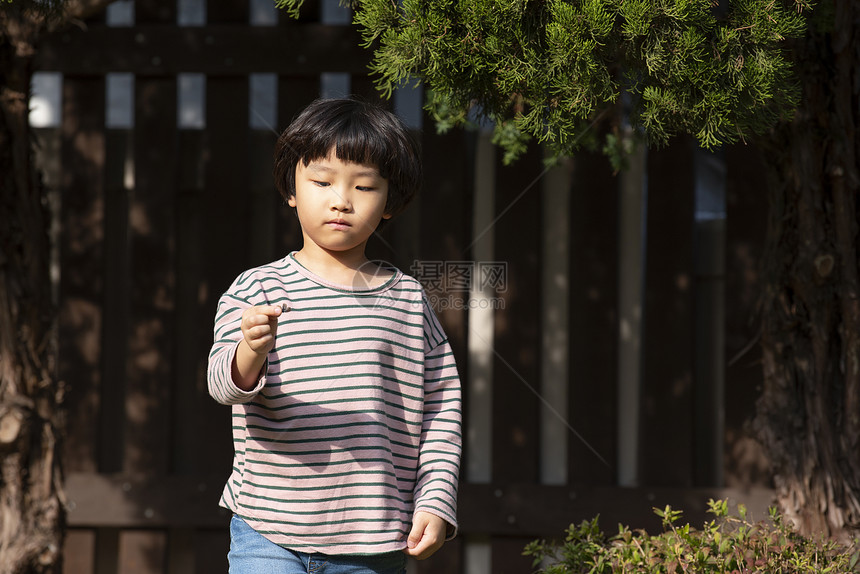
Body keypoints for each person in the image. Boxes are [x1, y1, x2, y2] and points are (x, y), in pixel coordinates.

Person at [207, 97, 463, 574]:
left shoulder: (406, 299)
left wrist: (435, 500)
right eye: (321, 182)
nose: (341, 200)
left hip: (373, 539)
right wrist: (250, 350)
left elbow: (441, 406)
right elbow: (222, 386)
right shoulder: (257, 288)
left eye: (364, 186)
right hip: (267, 530)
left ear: (390, 202)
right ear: (291, 188)